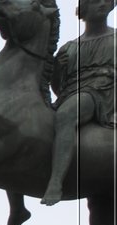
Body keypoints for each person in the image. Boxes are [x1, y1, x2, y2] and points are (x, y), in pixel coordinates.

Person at [44, 0, 115, 205]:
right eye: (94, 1)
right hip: (72, 93)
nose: (101, 4)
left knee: (67, 114)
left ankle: (56, 182)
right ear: (83, 10)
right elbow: (59, 88)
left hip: (105, 90)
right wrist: (57, 70)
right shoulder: (69, 48)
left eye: (106, 1)